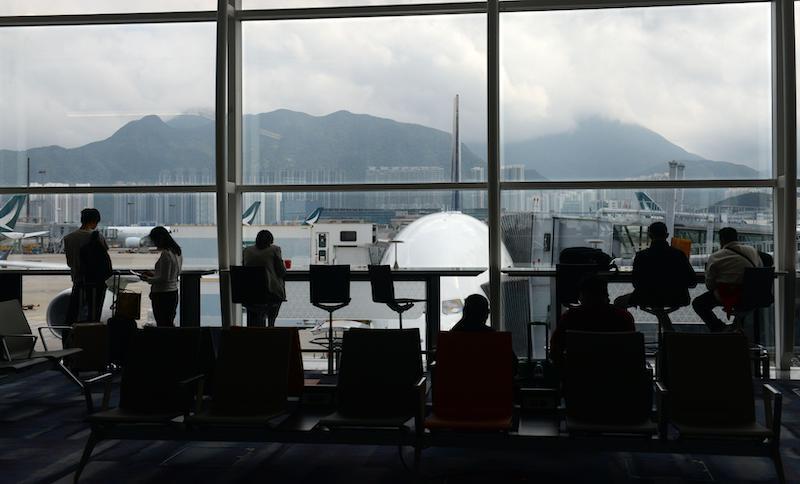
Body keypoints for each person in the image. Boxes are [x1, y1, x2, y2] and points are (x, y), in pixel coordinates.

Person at [613, 221, 696, 330]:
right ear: (666, 235)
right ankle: (669, 335)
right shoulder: (679, 254)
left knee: (618, 302)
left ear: (650, 235)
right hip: (676, 297)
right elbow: (692, 282)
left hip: (647, 297)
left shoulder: (641, 256)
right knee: (659, 306)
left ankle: (628, 333)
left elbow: (636, 283)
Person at [551, 275, 636, 367]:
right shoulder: (624, 317)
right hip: (615, 376)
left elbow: (555, 350)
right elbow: (632, 352)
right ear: (606, 296)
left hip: (578, 376)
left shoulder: (570, 317)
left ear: (581, 297)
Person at [693, 227, 763, 332]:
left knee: (698, 303)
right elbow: (760, 270)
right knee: (744, 305)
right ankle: (737, 328)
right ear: (737, 237)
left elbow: (710, 286)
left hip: (728, 296)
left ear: (721, 240)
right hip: (752, 295)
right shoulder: (752, 251)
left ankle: (720, 328)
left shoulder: (716, 257)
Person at [451, 294, 518, 375]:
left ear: (465, 312)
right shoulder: (495, 338)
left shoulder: (452, 337)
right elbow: (513, 366)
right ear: (485, 314)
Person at [63, 208, 110, 324]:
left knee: (73, 315)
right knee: (94, 315)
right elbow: (104, 259)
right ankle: (91, 340)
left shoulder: (69, 238)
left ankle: (70, 339)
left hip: (78, 281)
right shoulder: (97, 237)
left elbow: (70, 263)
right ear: (95, 221)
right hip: (96, 283)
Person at [242, 229, 286, 327]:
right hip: (269, 294)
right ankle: (271, 324)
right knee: (278, 296)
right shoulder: (275, 249)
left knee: (255, 308)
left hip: (249, 294)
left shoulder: (247, 250)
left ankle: (256, 329)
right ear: (271, 241)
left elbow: (243, 268)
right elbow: (281, 272)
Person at [140, 226, 182, 327]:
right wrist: (154, 273)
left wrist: (147, 279)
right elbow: (174, 273)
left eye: (155, 240)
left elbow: (164, 279)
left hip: (162, 294)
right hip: (173, 293)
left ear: (160, 239)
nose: (154, 243)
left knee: (162, 323)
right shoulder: (177, 253)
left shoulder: (165, 254)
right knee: (168, 322)